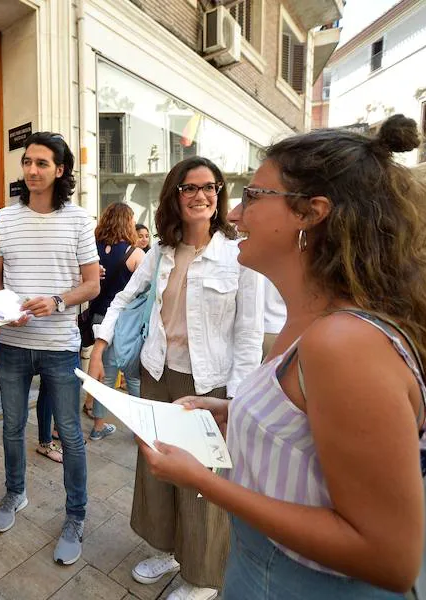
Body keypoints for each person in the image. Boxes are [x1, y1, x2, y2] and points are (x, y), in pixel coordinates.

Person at [136, 116, 426, 599]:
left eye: (255, 196)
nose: (236, 213)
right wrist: (231, 410)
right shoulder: (310, 320)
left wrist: (204, 482)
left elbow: (389, 555)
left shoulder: (343, 343)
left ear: (311, 213)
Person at [89, 156, 264, 600]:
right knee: (159, 471)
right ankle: (168, 550)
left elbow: (249, 335)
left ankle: (202, 575)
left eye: (210, 187)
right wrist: (100, 346)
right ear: (176, 195)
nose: (201, 195)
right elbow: (126, 298)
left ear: (219, 194)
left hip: (209, 386)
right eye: (190, 188)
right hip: (157, 375)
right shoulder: (161, 251)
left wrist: (237, 403)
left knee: (203, 483)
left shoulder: (240, 254)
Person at [0, 131, 100, 565]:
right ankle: (15, 494)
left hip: (59, 345)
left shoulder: (77, 220)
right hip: (13, 343)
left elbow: (91, 283)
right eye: (27, 162)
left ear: (61, 170)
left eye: (41, 163)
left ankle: (76, 515)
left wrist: (56, 301)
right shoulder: (3, 218)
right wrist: (1, 310)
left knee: (70, 435)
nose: (31, 170)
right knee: (12, 428)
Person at [84, 202, 145, 440]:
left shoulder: (92, 248)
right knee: (133, 375)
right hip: (124, 321)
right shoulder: (135, 253)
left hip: (97, 315)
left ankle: (98, 426)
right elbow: (145, 291)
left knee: (104, 375)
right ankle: (140, 431)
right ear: (128, 222)